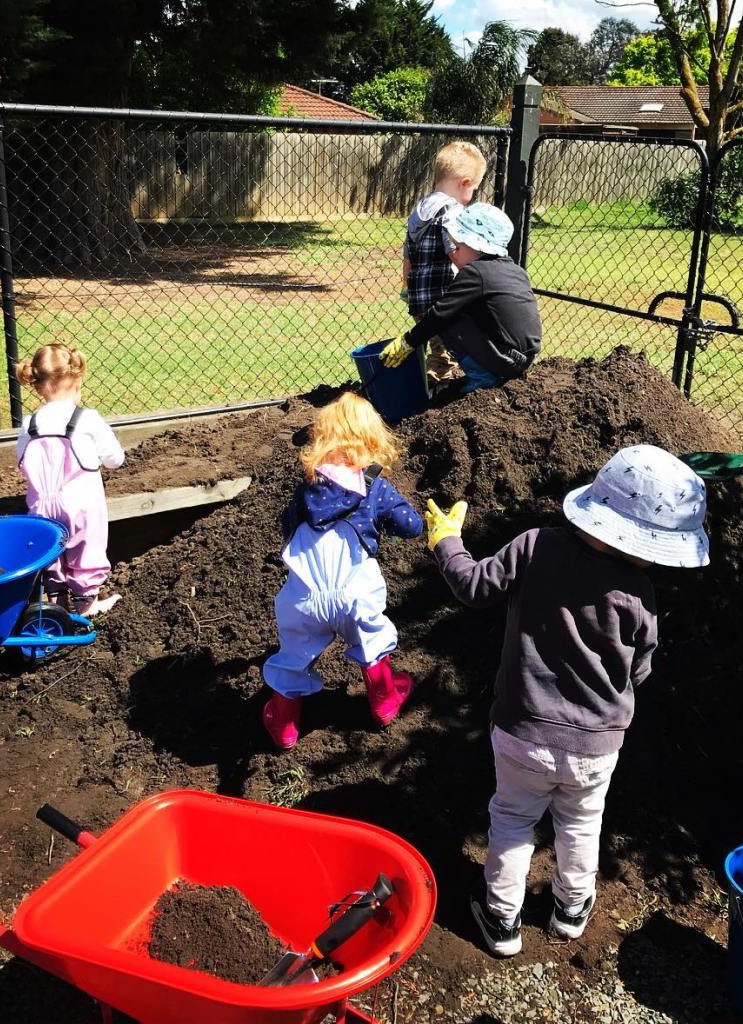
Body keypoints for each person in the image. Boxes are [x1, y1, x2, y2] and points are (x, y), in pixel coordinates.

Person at [424, 445, 709, 955]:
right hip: (597, 747)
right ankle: (571, 910)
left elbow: (473, 587)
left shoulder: (535, 546)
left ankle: (501, 921)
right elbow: (641, 670)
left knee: (513, 819)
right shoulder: (641, 595)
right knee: (580, 822)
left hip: (522, 732)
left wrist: (447, 542)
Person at [262, 393, 424, 750]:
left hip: (303, 598)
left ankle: (284, 724)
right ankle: (384, 701)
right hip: (355, 594)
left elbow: (287, 527)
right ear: (372, 441)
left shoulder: (305, 490)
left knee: (294, 654)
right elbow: (411, 526)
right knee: (371, 639)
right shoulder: (375, 488)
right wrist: (384, 524)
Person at [384, 203, 541, 395]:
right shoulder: (515, 270)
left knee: (450, 318)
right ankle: (489, 373)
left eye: (458, 246)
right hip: (524, 358)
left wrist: (408, 341)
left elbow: (440, 313)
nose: (453, 251)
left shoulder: (475, 272)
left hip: (505, 360)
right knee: (463, 311)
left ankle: (483, 378)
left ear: (477, 246)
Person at [15, 344, 125, 617]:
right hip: (81, 503)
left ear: (38, 386)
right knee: (87, 548)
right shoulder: (87, 419)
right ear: (77, 380)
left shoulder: (30, 423)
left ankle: (57, 602)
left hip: (41, 505)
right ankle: (86, 605)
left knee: (52, 551)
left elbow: (22, 462)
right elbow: (115, 459)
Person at [402, 141, 488, 385]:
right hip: (443, 299)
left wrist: (408, 287)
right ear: (464, 183)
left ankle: (434, 382)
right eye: (474, 189)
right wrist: (475, 278)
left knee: (437, 346)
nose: (471, 196)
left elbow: (407, 255)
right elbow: (455, 252)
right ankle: (440, 390)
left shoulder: (419, 208)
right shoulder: (452, 210)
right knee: (447, 353)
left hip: (420, 299)